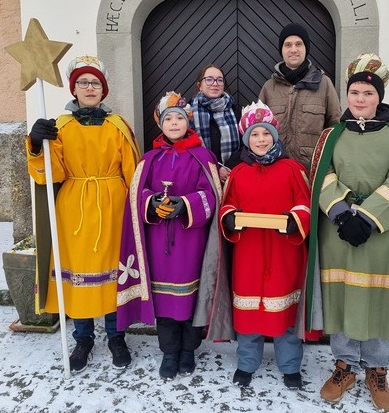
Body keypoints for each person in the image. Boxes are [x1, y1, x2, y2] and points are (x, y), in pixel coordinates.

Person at [303, 54, 389, 412]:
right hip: (339, 232)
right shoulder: (331, 136)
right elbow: (321, 174)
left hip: (380, 235)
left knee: (377, 299)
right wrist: (343, 214)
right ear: (347, 95)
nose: (360, 99)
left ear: (379, 97)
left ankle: (377, 368)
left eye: (368, 93)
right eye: (355, 92)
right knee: (342, 297)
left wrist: (369, 218)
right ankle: (344, 365)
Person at [26, 55, 141, 372]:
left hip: (113, 204)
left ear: (103, 90)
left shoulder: (118, 126)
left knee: (113, 274)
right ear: (73, 89)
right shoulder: (60, 127)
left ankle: (116, 337)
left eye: (95, 83)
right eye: (83, 82)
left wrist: (137, 207)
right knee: (78, 275)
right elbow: (50, 174)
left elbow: (132, 171)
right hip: (74, 207)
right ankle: (83, 339)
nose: (89, 88)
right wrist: (36, 144)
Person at [116, 91, 233, 381]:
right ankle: (169, 352)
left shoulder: (203, 156)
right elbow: (136, 195)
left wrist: (185, 204)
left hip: (191, 240)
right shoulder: (149, 158)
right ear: (161, 124)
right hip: (158, 240)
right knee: (165, 302)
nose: (174, 123)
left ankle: (188, 350)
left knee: (191, 299)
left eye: (179, 118)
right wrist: (151, 202)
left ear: (188, 123)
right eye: (168, 119)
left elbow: (212, 195)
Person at [220, 100, 311, 389]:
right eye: (255, 135)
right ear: (247, 139)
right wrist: (229, 217)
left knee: (284, 310)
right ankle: (247, 363)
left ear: (274, 136)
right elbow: (227, 204)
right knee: (248, 312)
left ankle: (290, 366)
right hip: (249, 252)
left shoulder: (292, 169)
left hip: (285, 252)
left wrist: (295, 219)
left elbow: (305, 204)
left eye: (266, 134)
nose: (261, 140)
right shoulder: (238, 172)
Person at [259, 22, 341, 169]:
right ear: (282, 50)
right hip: (276, 170)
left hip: (311, 171)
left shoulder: (324, 84)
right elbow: (257, 129)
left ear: (306, 48)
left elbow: (334, 127)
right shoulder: (269, 88)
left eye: (299, 44)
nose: (293, 49)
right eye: (288, 45)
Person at [190, 64, 240, 182]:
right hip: (200, 175)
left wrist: (227, 168)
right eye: (209, 79)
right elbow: (187, 147)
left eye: (219, 80)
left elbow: (245, 145)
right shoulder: (188, 113)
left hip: (231, 174)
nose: (215, 83)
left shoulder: (235, 111)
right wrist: (215, 168)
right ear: (199, 85)